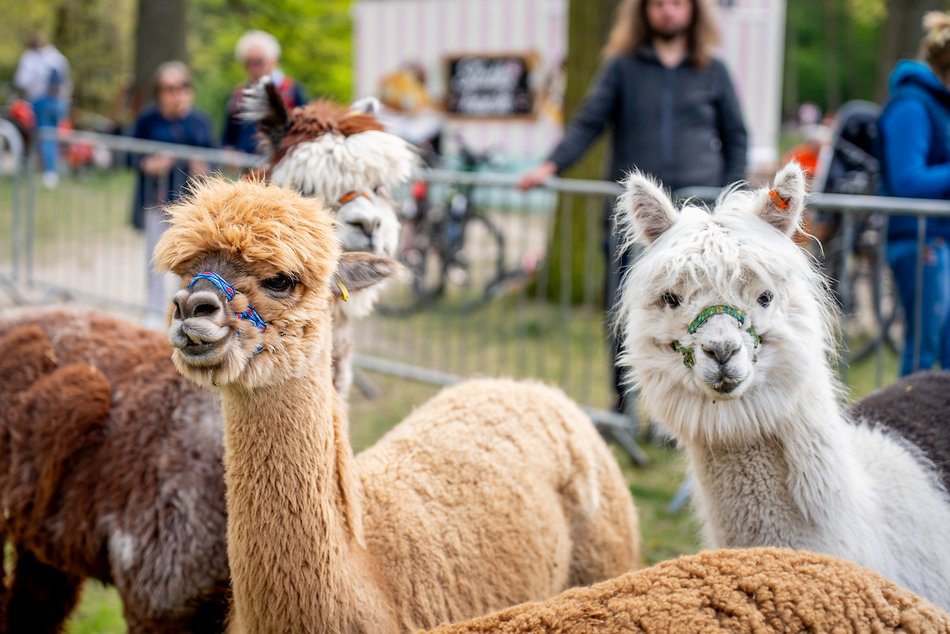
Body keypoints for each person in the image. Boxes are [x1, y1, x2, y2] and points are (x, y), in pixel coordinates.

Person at [518, 0, 748, 412]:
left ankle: (683, 404)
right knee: (628, 312)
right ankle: (622, 401)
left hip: (700, 219)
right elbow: (590, 121)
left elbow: (736, 137)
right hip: (638, 224)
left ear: (693, 11)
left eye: (676, 4)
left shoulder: (713, 70)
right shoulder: (622, 68)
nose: (667, 11)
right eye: (658, 4)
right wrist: (550, 165)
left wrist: (729, 202)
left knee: (698, 310)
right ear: (643, 11)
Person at [879, 11, 950, 376]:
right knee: (925, 352)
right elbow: (908, 180)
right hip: (922, 241)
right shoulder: (911, 104)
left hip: (941, 239)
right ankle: (910, 430)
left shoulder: (941, 105)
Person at [131, 61, 215, 319]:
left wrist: (204, 168)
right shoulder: (148, 119)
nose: (176, 93)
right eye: (169, 88)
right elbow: (128, 154)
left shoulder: (199, 120)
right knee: (157, 258)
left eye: (182, 86)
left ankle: (186, 310)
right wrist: (149, 164)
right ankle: (154, 311)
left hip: (190, 207)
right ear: (159, 92)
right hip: (156, 201)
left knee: (189, 260)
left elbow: (213, 154)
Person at [223, 30, 306, 154]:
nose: (253, 67)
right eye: (249, 63)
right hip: (245, 167)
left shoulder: (291, 90)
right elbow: (228, 136)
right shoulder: (239, 95)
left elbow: (303, 130)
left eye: (258, 62)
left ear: (274, 60)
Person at [14, 33, 70, 188]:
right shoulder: (57, 57)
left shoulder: (30, 58)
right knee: (51, 136)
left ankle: (49, 173)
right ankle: (49, 170)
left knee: (45, 136)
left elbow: (22, 80)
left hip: (42, 101)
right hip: (59, 102)